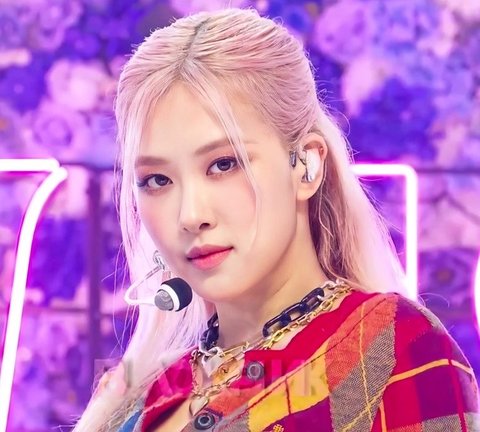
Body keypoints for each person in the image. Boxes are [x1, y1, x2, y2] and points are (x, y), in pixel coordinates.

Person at [73, 7, 480, 432]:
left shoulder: (391, 348)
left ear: (306, 165)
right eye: (157, 180)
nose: (191, 216)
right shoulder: (142, 391)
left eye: (224, 164)